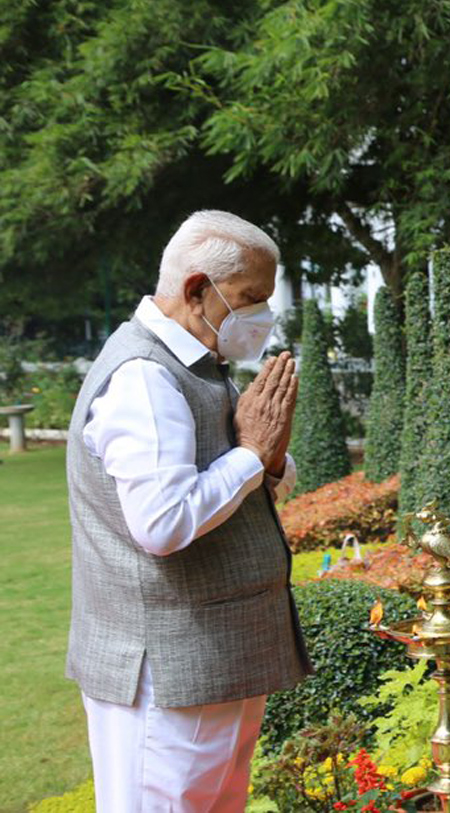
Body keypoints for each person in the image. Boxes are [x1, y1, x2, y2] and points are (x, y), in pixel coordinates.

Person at [66, 210, 312, 811]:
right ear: (197, 289)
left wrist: (269, 459)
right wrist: (252, 453)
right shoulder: (145, 377)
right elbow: (164, 522)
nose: (262, 316)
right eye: (250, 298)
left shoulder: (195, 362)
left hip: (210, 659)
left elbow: (232, 482)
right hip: (168, 670)